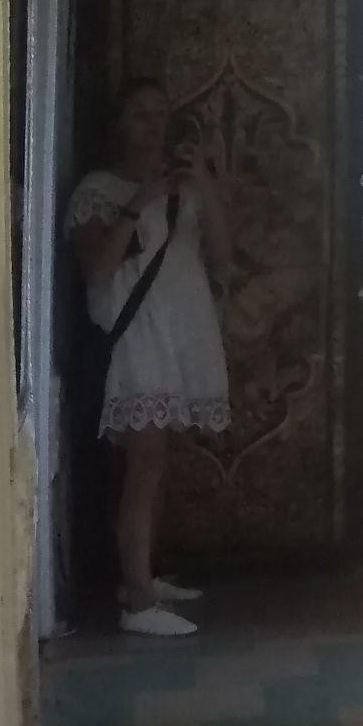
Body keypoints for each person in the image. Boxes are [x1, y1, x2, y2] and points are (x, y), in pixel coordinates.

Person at [65, 77, 232, 637]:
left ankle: (144, 577)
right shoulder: (98, 190)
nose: (152, 125)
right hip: (136, 334)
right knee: (144, 462)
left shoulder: (182, 184)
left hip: (180, 328)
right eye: (139, 114)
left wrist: (202, 184)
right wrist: (138, 204)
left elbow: (223, 254)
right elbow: (96, 268)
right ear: (118, 123)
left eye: (160, 114)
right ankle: (136, 601)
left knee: (157, 460)